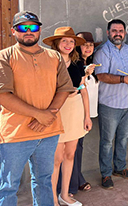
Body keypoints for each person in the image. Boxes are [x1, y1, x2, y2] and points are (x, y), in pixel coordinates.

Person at [0, 11, 74, 206]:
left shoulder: (54, 56)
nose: (29, 32)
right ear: (14, 31)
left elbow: (64, 88)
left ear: (39, 30)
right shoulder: (4, 57)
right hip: (15, 134)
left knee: (44, 181)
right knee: (8, 186)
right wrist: (40, 115)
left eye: (33, 27)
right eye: (23, 27)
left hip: (48, 132)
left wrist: (49, 116)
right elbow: (2, 95)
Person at [43, 27, 92, 206]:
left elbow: (82, 89)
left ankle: (65, 194)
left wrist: (87, 116)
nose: (68, 44)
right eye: (64, 41)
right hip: (57, 110)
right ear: (57, 43)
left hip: (75, 108)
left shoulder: (78, 64)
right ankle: (53, 199)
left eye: (71, 41)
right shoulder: (48, 63)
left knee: (70, 154)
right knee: (56, 158)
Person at [94, 19, 128, 189]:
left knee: (123, 138)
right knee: (107, 141)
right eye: (114, 31)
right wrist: (123, 79)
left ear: (125, 32)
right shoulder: (102, 52)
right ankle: (106, 174)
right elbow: (101, 75)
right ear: (108, 33)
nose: (118, 34)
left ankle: (119, 168)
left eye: (120, 31)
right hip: (110, 104)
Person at [58, 32, 100, 196]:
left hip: (85, 113)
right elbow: (75, 88)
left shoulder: (90, 64)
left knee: (76, 150)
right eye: (84, 44)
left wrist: (88, 115)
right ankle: (70, 186)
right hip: (71, 112)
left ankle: (75, 181)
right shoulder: (75, 65)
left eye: (91, 45)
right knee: (66, 152)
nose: (88, 48)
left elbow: (86, 90)